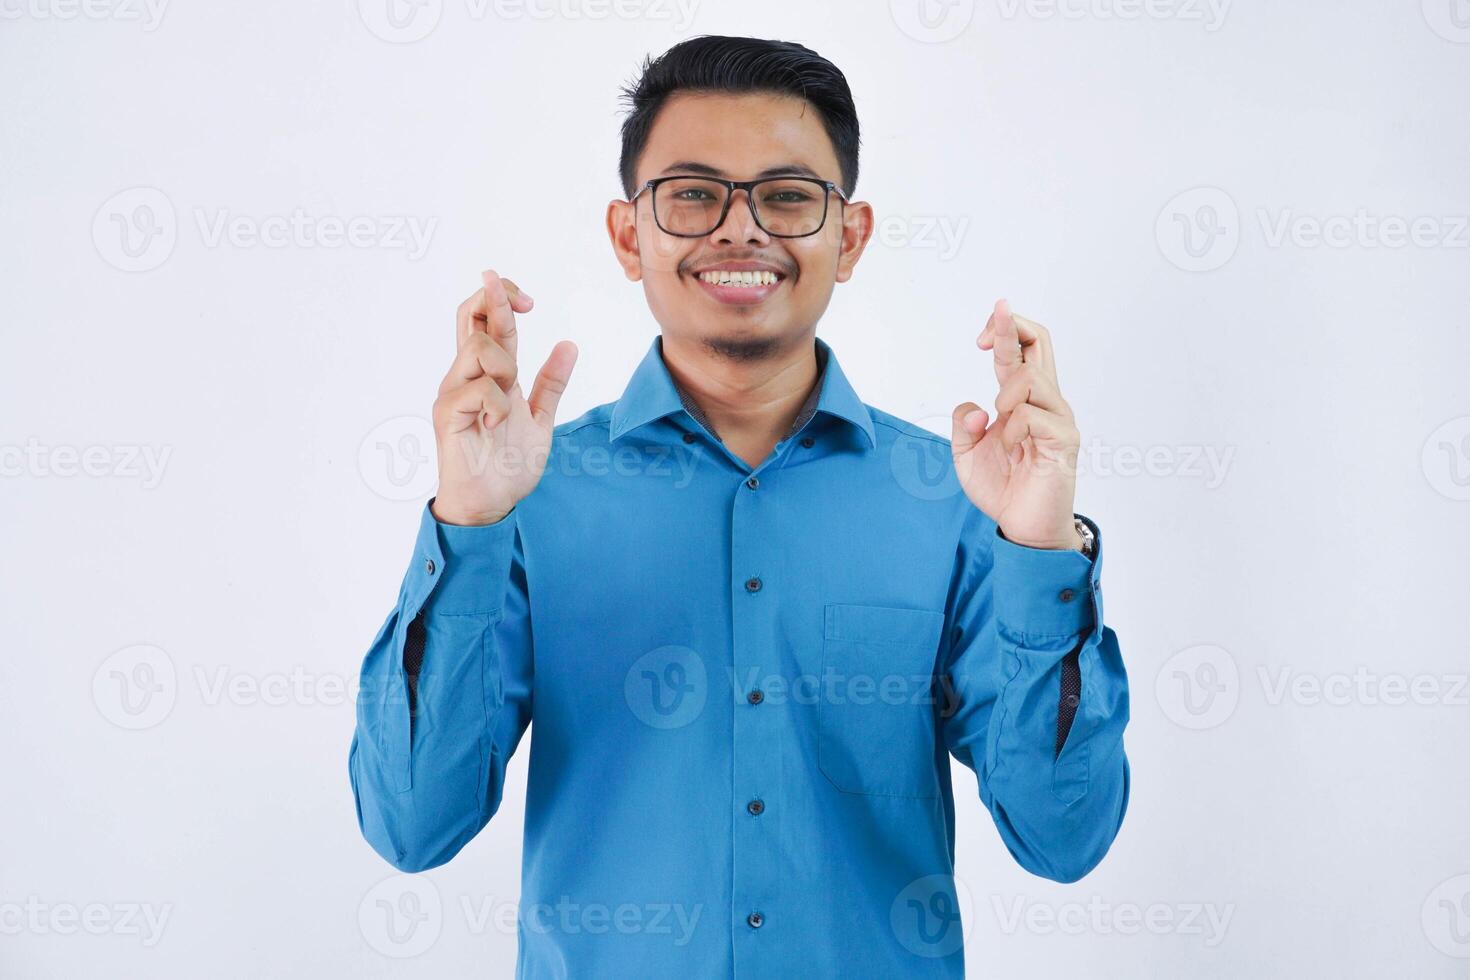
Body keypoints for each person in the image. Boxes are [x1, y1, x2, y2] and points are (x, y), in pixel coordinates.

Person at [348, 34, 1130, 978]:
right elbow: (411, 826)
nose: (740, 229)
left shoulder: (959, 500)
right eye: (692, 193)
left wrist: (1040, 547)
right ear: (630, 235)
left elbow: (1065, 838)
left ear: (850, 237)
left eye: (788, 196)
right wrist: (467, 523)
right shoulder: (532, 493)